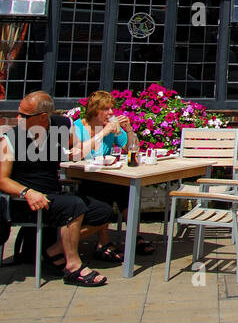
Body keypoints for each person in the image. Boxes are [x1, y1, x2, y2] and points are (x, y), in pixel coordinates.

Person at [0, 92, 113, 286]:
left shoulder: (61, 125)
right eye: (19, 114)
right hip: (26, 202)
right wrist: (27, 192)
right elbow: (2, 180)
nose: (18, 119)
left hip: (54, 196)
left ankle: (53, 250)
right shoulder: (11, 138)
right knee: (74, 205)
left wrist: (90, 141)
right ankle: (73, 267)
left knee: (104, 211)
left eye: (24, 116)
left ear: (43, 117)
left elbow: (75, 150)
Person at [68, 91, 154, 260]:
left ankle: (134, 237)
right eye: (106, 109)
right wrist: (104, 132)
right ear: (94, 111)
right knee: (102, 190)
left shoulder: (111, 126)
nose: (111, 113)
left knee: (127, 189)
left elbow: (132, 149)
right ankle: (103, 243)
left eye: (112, 109)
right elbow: (76, 154)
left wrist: (129, 131)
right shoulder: (77, 127)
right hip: (82, 177)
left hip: (105, 175)